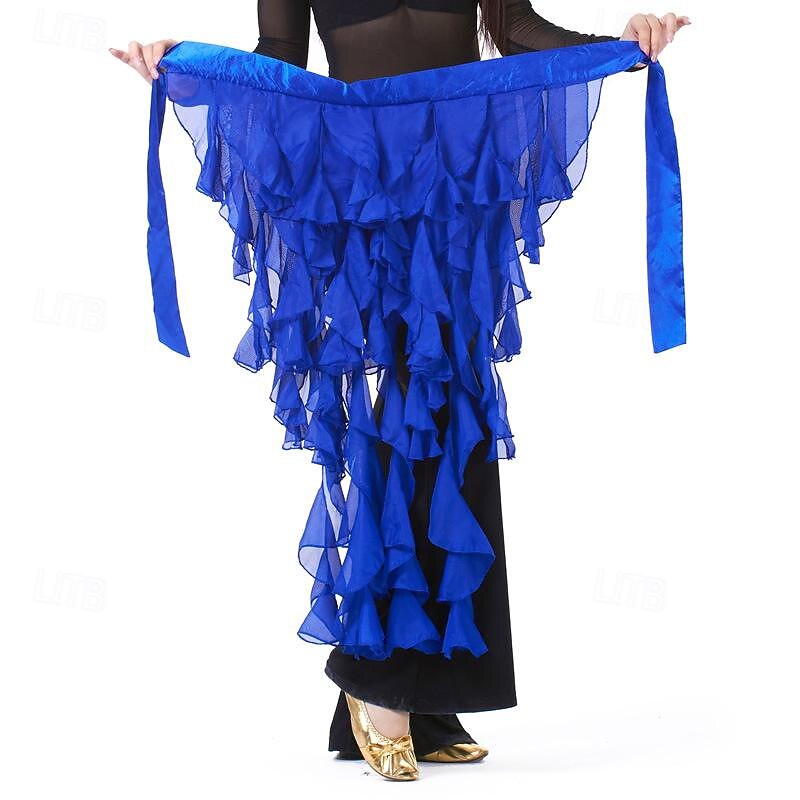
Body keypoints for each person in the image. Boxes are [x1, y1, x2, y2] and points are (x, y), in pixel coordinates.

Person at [111, 1, 689, 781]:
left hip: (456, 168)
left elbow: (514, 27)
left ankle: (423, 689)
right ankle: (382, 683)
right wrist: (192, 65)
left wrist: (617, 47)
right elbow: (278, 51)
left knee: (453, 406)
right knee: (410, 412)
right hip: (358, 175)